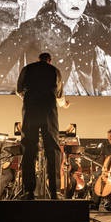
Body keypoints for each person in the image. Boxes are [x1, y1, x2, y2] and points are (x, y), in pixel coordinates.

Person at [17, 52, 69, 200]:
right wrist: (64, 104)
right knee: (52, 149)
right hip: (48, 111)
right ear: (49, 61)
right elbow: (59, 95)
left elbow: (19, 90)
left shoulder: (27, 69)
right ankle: (54, 191)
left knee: (29, 148)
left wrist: (30, 98)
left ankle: (29, 191)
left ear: (38, 59)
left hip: (31, 111)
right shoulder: (54, 71)